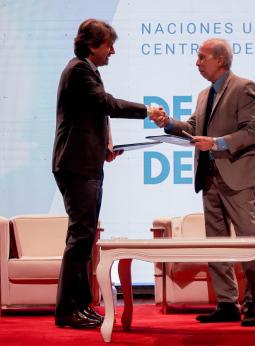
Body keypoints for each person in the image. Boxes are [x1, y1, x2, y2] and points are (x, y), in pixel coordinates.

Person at [52, 19, 164, 329]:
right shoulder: (78, 70)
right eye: (108, 44)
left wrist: (106, 148)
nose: (112, 50)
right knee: (80, 237)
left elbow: (92, 115)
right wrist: (148, 110)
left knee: (84, 238)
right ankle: (66, 310)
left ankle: (81, 306)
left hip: (87, 163)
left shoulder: (88, 70)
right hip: (76, 166)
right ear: (92, 45)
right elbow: (106, 104)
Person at [151, 38, 255, 327]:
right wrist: (168, 122)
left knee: (248, 241)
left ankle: (254, 303)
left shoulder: (244, 87)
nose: (197, 62)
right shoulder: (204, 94)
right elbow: (193, 128)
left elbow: (254, 131)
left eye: (202, 57)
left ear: (220, 60)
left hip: (238, 177)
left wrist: (216, 143)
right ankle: (227, 303)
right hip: (209, 178)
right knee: (216, 243)